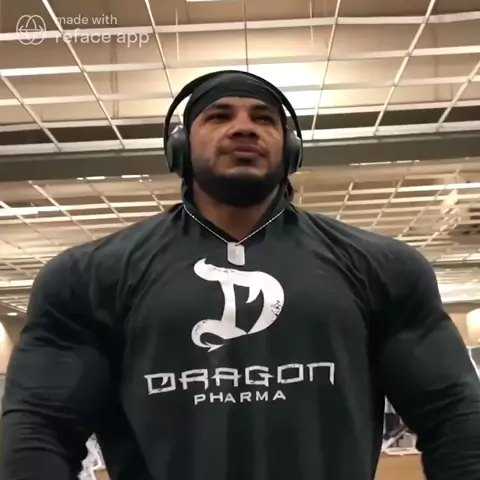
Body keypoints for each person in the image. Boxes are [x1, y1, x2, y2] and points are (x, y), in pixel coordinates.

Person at [1, 70, 480, 480]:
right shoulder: (89, 275)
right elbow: (39, 427)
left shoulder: (382, 267)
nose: (244, 127)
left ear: (290, 149)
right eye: (219, 116)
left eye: (264, 118)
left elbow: (454, 415)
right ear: (180, 147)